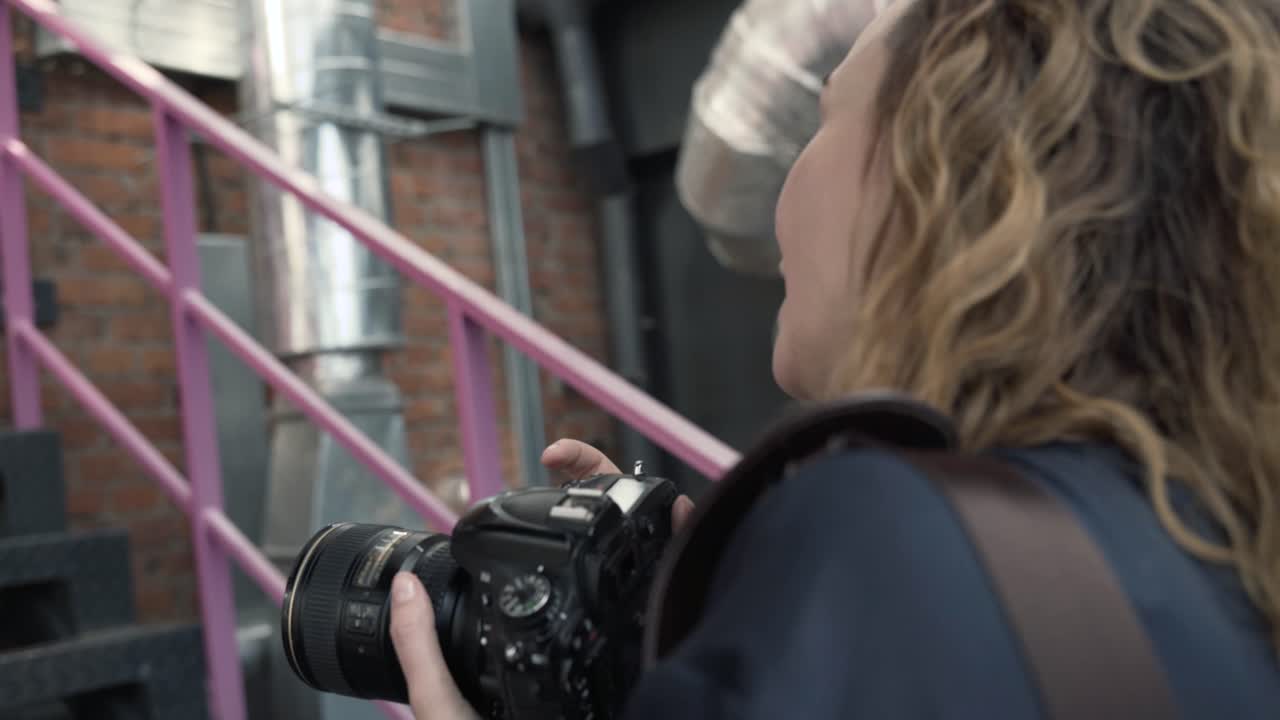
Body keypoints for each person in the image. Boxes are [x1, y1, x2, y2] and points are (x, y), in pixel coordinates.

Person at [386, 0, 1280, 717]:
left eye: (823, 117)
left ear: (944, 174)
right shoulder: (1216, 525)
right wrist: (717, 636)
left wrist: (806, 599)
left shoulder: (885, 533)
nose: (782, 181)